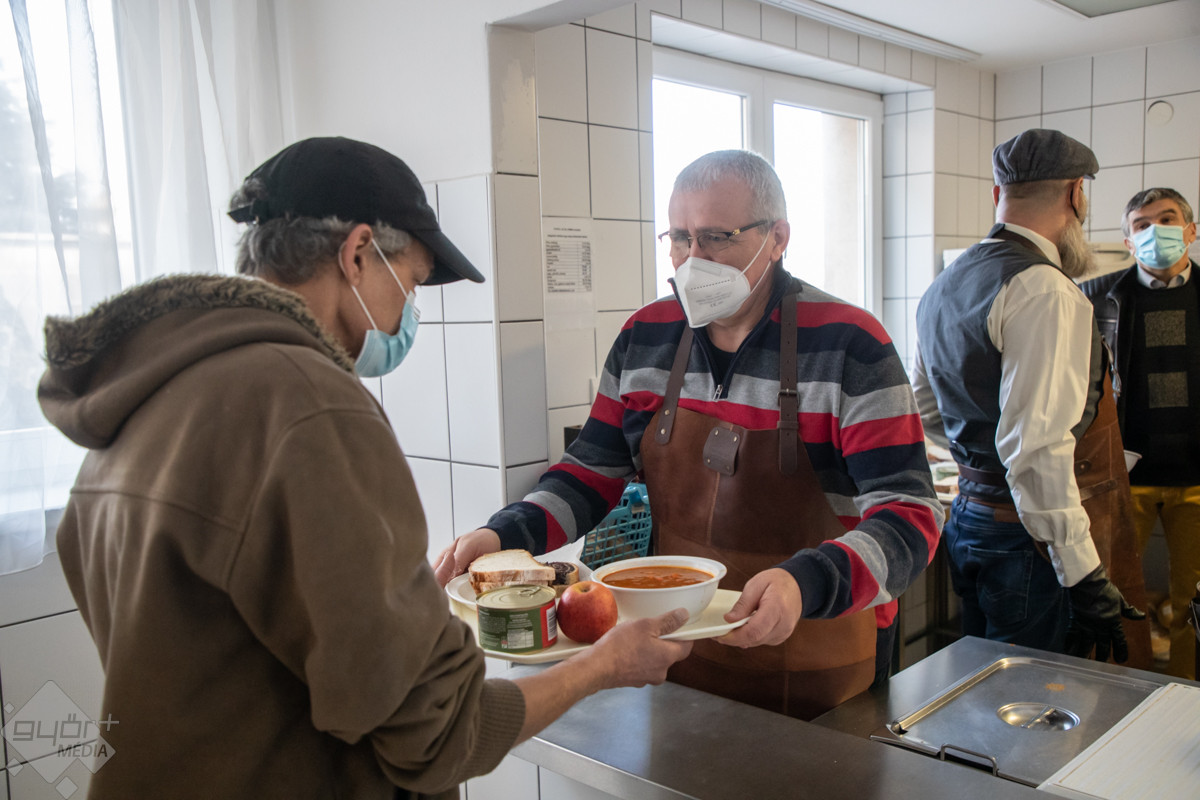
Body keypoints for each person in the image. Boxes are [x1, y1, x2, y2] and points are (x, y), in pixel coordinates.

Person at [37, 137, 692, 800]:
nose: (409, 311)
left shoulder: (140, 395)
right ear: (356, 253)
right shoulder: (308, 406)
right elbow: (440, 733)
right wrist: (601, 666)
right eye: (410, 282)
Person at [435, 149, 945, 721]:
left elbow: (910, 515)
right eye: (680, 238)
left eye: (716, 238)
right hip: (671, 651)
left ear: (777, 238)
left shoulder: (850, 344)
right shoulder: (645, 337)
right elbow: (589, 474)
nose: (693, 259)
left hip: (821, 655)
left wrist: (807, 584)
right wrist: (504, 535)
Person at [913, 128, 1148, 666]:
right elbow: (1035, 450)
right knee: (1031, 695)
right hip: (1026, 540)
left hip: (969, 519)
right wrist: (1083, 574)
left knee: (983, 683)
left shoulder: (944, 284)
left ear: (998, 194)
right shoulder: (1044, 289)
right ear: (1076, 195)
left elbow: (927, 409)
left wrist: (981, 460)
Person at [1079, 187, 1199, 679]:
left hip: (1197, 477)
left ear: (1190, 230)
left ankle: (1188, 695)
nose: (1155, 232)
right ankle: (1119, 692)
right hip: (1122, 476)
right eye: (1142, 225)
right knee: (1115, 593)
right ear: (1128, 242)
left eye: (1167, 220)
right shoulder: (1094, 298)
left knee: (1193, 600)